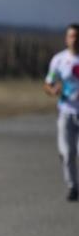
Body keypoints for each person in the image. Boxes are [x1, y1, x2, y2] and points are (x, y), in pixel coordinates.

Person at [44, 23, 79, 202]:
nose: (74, 39)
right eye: (71, 36)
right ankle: (73, 186)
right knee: (67, 153)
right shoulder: (59, 60)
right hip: (65, 112)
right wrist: (53, 90)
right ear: (66, 39)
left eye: (77, 36)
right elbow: (48, 83)